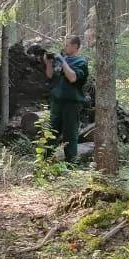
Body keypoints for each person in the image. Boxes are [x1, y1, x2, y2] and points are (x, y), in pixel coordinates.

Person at [44, 35, 90, 163]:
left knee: (70, 134)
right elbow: (50, 75)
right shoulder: (61, 60)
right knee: (51, 132)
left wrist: (63, 61)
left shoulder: (81, 62)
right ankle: (45, 162)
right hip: (56, 102)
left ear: (75, 46)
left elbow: (73, 78)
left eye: (68, 45)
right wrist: (48, 62)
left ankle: (71, 164)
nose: (65, 47)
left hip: (71, 103)